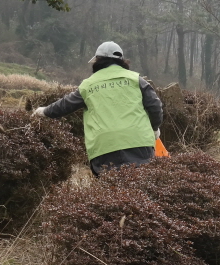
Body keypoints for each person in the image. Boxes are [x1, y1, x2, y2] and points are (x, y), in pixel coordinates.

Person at [33, 41, 163, 176]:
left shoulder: (88, 85)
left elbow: (64, 105)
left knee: (110, 190)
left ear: (97, 61)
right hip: (139, 143)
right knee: (140, 188)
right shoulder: (136, 80)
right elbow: (155, 106)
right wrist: (154, 128)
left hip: (104, 148)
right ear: (122, 61)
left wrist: (43, 111)